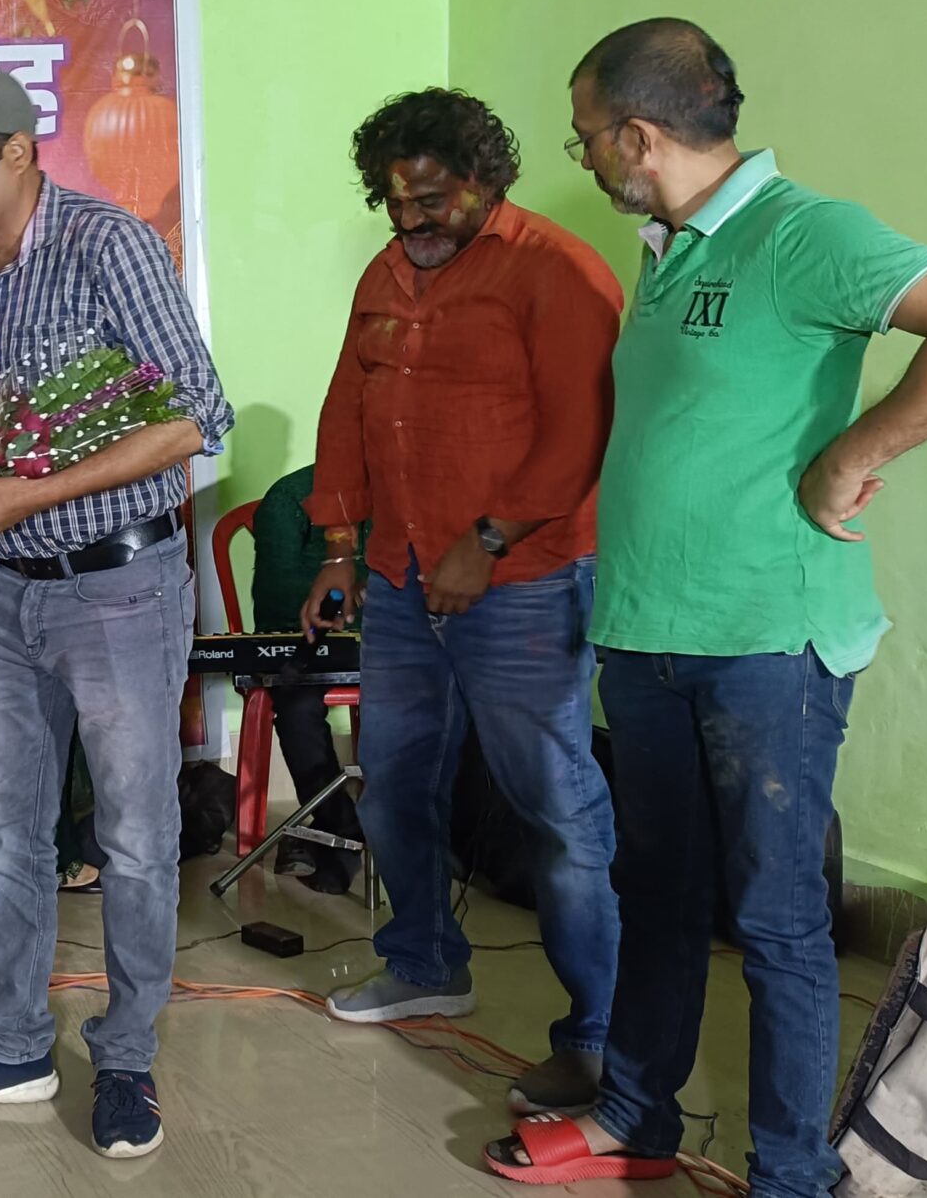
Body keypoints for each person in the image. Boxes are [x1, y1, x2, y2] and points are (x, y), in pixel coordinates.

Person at [483, 19, 927, 1196]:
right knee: (658, 894)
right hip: (649, 632)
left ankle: (789, 1173)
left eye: (585, 137)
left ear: (637, 134)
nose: (585, 158)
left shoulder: (802, 232)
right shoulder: (667, 247)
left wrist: (851, 456)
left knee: (778, 919)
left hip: (765, 644)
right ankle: (636, 1119)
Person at [0, 65, 234, 1161]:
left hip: (120, 587)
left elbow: (195, 417)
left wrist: (32, 495)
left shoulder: (105, 245)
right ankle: (15, 1048)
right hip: (6, 587)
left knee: (133, 838)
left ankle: (125, 1058)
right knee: (7, 833)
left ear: (20, 153)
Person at [299, 89, 624, 1115]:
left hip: (523, 582)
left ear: (486, 181)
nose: (412, 221)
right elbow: (348, 408)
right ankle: (426, 963)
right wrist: (340, 545)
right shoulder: (386, 273)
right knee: (394, 785)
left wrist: (487, 542)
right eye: (394, 202)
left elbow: (581, 432)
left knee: (555, 809)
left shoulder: (557, 270)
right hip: (400, 579)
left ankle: (601, 1038)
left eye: (433, 200)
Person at [245, 463, 364, 894]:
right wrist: (351, 591)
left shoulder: (407, 488)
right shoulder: (289, 498)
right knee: (297, 712)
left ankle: (445, 836)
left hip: (390, 643)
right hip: (305, 643)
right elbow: (276, 595)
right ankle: (342, 830)